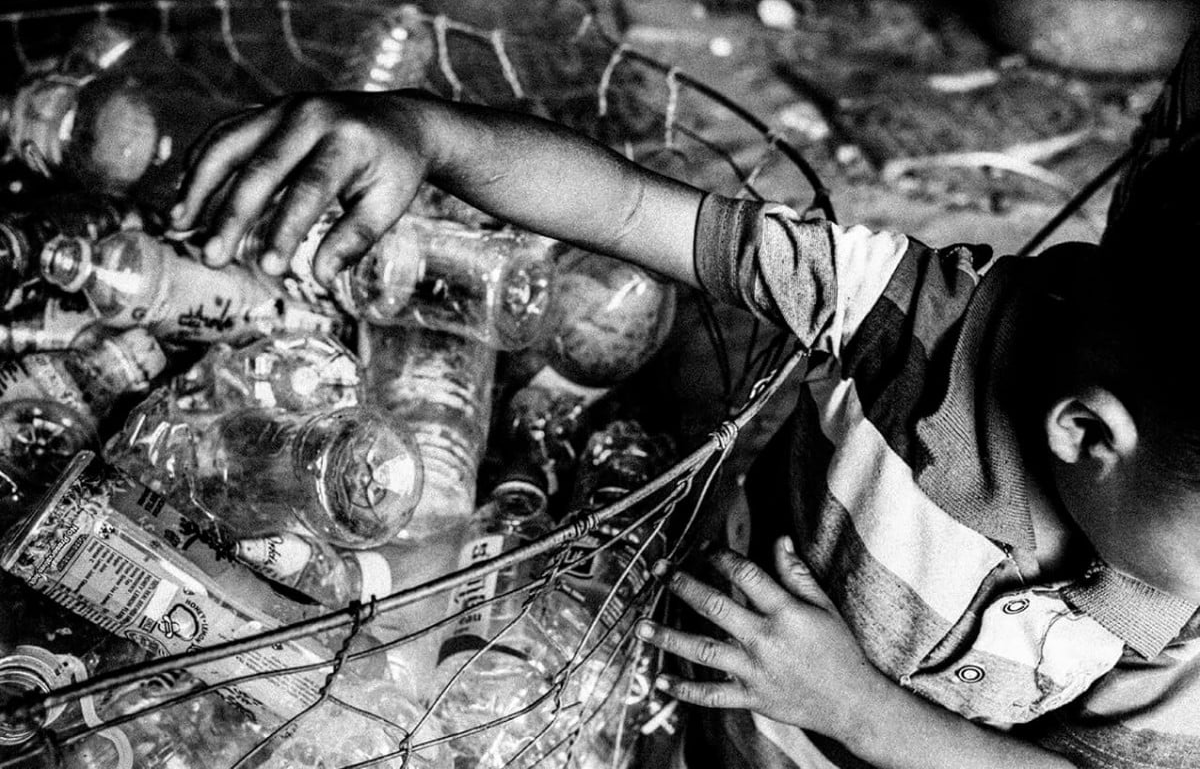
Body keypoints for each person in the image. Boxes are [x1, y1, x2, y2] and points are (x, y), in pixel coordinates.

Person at [171, 42, 1200, 768]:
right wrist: (422, 131)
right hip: (684, 683)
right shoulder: (904, 318)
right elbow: (628, 208)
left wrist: (860, 711)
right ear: (1088, 432)